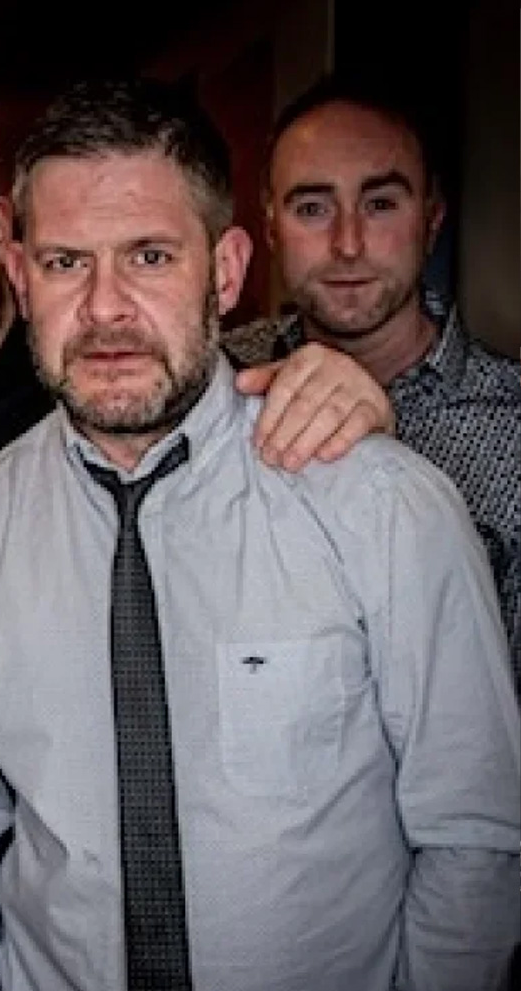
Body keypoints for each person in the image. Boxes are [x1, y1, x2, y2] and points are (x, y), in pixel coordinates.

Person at [0, 78, 520, 991]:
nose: (104, 308)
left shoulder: (385, 508)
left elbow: (474, 835)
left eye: (148, 256)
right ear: (19, 274)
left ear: (224, 269)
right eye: (65, 262)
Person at [223, 75, 521, 681]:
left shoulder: (512, 426)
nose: (348, 244)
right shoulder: (222, 379)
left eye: (381, 204)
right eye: (313, 208)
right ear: (272, 228)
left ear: (432, 219)